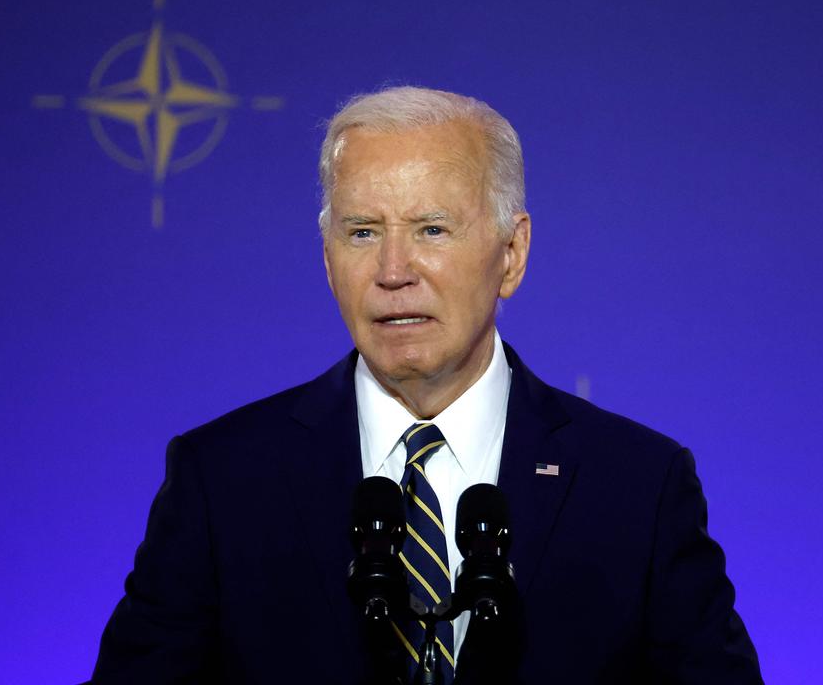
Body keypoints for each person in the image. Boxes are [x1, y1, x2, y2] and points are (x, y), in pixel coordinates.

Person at [91, 86, 762, 684]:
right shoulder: (224, 480)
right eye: (362, 232)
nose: (392, 270)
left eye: (431, 230)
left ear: (512, 254)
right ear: (328, 261)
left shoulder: (638, 487)